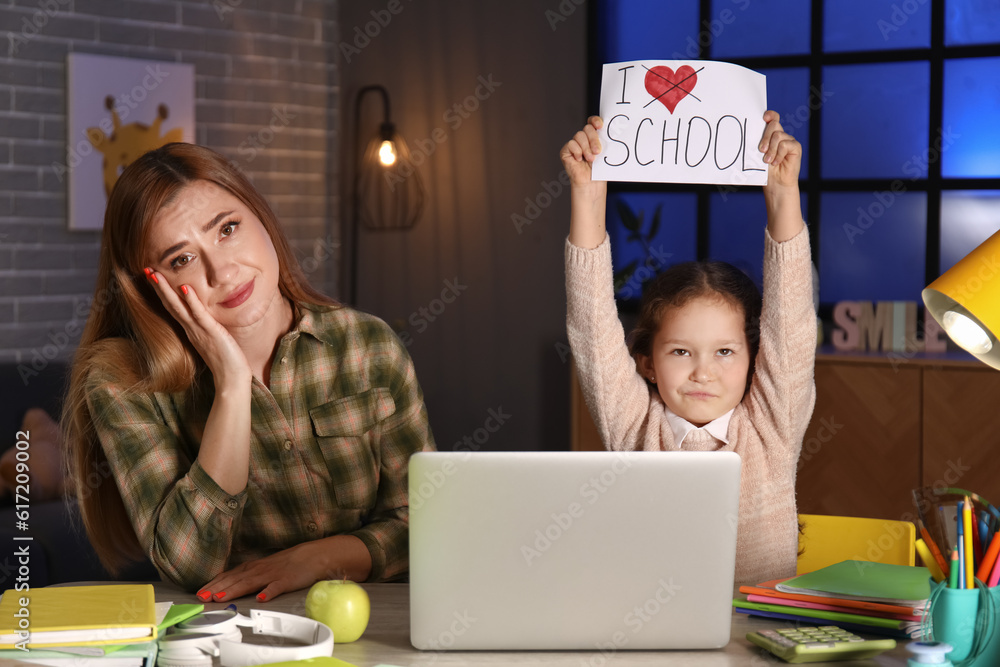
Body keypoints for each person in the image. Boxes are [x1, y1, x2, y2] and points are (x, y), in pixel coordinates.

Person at [63, 143, 436, 602]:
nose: (222, 271)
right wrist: (232, 388)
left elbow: (425, 523)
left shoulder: (368, 345)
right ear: (150, 287)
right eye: (182, 259)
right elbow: (188, 562)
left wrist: (315, 559)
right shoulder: (121, 380)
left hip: (380, 630)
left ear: (260, 216)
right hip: (230, 638)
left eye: (228, 229)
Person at [561, 111, 815, 584]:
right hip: (648, 642)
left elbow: (792, 326)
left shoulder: (771, 429)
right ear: (649, 364)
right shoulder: (635, 427)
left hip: (754, 641)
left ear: (754, 361)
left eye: (724, 352)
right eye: (680, 352)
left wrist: (783, 194)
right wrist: (588, 195)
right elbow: (592, 327)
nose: (703, 372)